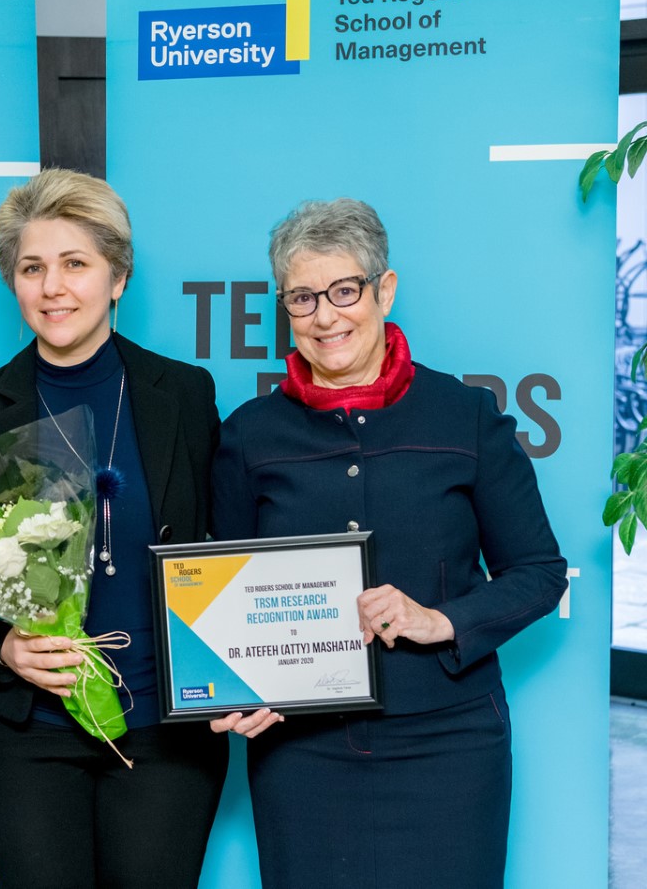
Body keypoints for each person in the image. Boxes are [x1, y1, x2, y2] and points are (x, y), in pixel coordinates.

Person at [210, 198, 567, 888]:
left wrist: (442, 620)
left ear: (385, 291)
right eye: (303, 298)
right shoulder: (250, 434)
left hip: (451, 739)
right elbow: (228, 589)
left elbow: (539, 571)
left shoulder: (467, 417)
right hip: (301, 750)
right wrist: (241, 682)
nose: (326, 316)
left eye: (345, 291)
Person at [0, 168, 228, 889]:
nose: (52, 288)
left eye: (76, 264)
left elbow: (221, 544)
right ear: (13, 281)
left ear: (118, 277)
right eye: (32, 268)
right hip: (26, 737)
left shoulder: (185, 395)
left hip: (166, 730)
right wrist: (1, 647)